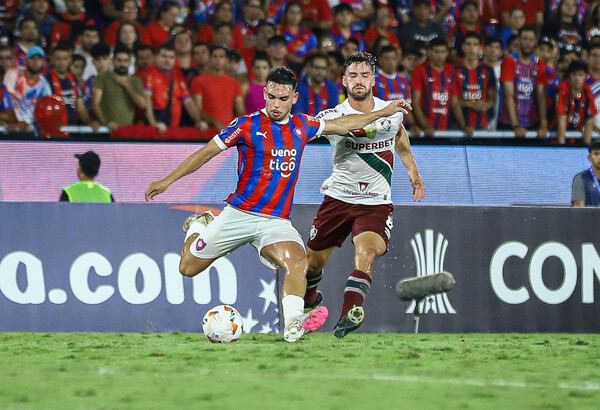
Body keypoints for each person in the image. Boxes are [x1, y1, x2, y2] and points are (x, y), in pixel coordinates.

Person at [144, 66, 410, 342]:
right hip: (238, 215)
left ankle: (293, 323)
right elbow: (206, 153)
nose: (276, 104)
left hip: (274, 222)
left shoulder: (302, 126)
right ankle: (197, 227)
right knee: (187, 268)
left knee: (299, 263)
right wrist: (167, 180)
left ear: (294, 98)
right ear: (265, 94)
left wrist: (383, 111)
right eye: (271, 97)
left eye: (283, 99)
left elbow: (345, 124)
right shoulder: (246, 125)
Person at [305, 52, 425, 338]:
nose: (359, 81)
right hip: (338, 200)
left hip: (375, 204)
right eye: (353, 76)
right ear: (344, 81)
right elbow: (301, 134)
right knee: (312, 265)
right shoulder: (333, 117)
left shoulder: (393, 112)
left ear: (373, 79)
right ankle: (311, 300)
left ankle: (350, 313)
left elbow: (400, 139)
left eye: (364, 75)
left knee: (367, 253)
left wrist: (413, 172)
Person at [411, 37, 472, 137]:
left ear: (447, 53)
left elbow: (455, 102)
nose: (440, 56)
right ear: (429, 52)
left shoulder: (450, 70)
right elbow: (415, 102)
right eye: (436, 52)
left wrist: (464, 125)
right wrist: (425, 126)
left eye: (443, 52)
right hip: (423, 132)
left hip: (444, 130)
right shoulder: (420, 70)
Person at [498, 26, 548, 138]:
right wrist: (515, 125)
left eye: (531, 39)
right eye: (525, 39)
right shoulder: (510, 61)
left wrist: (543, 124)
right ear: (519, 40)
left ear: (536, 41)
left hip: (531, 123)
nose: (528, 43)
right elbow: (508, 94)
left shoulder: (539, 63)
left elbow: (541, 95)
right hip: (508, 123)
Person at [92, 44, 149, 130]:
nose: (122, 64)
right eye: (119, 60)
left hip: (127, 131)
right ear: (113, 60)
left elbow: (143, 104)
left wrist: (128, 86)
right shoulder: (103, 77)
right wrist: (106, 122)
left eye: (125, 60)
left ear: (130, 62)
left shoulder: (135, 81)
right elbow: (95, 104)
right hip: (106, 130)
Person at [191, 45, 245, 133]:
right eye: (215, 56)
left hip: (228, 133)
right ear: (209, 59)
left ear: (226, 60)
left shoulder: (234, 83)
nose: (218, 60)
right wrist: (215, 122)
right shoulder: (199, 81)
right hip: (206, 131)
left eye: (221, 57)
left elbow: (240, 111)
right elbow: (197, 111)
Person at [455, 32, 497, 130]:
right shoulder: (454, 69)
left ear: (480, 48)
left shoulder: (488, 70)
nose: (471, 48)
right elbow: (452, 100)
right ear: (463, 47)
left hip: (483, 123)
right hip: (457, 125)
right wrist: (470, 104)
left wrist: (486, 105)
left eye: (475, 44)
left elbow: (492, 98)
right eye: (468, 44)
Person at [3, 46, 52, 125]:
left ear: (43, 62)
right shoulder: (14, 74)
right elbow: (6, 101)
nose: (36, 61)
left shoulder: (44, 85)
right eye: (32, 58)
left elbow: (47, 110)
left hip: (34, 127)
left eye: (39, 59)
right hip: (12, 125)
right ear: (26, 60)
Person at [555, 60, 597, 145]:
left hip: (575, 137)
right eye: (574, 74)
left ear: (586, 76)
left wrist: (587, 146)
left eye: (580, 75)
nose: (577, 78)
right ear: (569, 76)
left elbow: (589, 119)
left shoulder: (586, 90)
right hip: (554, 135)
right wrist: (562, 147)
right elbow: (561, 119)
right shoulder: (562, 89)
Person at [572, 140, 600, 206]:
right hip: (590, 216)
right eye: (596, 154)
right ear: (589, 158)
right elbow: (579, 211)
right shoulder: (581, 178)